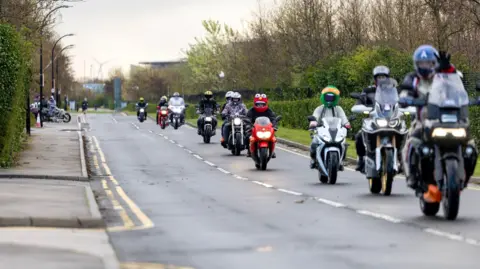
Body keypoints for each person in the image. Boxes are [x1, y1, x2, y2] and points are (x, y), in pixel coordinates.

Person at [400, 45, 478, 195]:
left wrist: (447, 67)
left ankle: (464, 178)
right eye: (422, 63)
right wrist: (406, 98)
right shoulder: (413, 78)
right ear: (416, 64)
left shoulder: (444, 75)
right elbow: (404, 91)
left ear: (435, 63)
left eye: (429, 63)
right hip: (424, 120)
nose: (426, 66)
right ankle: (412, 176)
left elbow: (457, 84)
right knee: (411, 142)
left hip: (452, 118)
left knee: (470, 147)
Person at [354, 65, 392, 172]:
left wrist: (405, 108)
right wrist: (360, 106)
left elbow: (400, 102)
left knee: (404, 134)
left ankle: (402, 160)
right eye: (379, 77)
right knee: (359, 136)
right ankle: (361, 159)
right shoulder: (368, 90)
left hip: (390, 120)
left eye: (383, 77)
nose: (381, 80)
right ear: (375, 79)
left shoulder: (393, 91)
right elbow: (360, 101)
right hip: (372, 120)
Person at [308, 86, 350, 169]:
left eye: (332, 97)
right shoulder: (319, 108)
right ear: (323, 97)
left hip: (335, 131)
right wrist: (313, 123)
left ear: (336, 98)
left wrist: (347, 124)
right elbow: (315, 117)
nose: (329, 99)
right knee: (314, 143)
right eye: (327, 97)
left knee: (344, 144)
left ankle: (341, 161)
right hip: (322, 131)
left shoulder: (339, 109)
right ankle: (313, 160)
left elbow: (343, 118)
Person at [245, 93, 278, 158]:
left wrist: (274, 125)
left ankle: (272, 151)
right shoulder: (251, 111)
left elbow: (273, 118)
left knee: (273, 137)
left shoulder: (269, 111)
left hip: (266, 129)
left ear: (265, 103)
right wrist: (248, 125)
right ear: (255, 103)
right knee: (247, 136)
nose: (260, 106)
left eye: (262, 104)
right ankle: (249, 150)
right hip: (254, 129)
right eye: (258, 104)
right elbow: (247, 118)